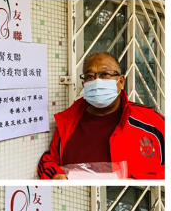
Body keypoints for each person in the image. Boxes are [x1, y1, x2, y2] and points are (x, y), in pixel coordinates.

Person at [38, 52, 164, 180]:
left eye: (105, 74)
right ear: (84, 84)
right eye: (89, 76)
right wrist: (56, 175)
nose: (97, 81)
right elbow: (50, 162)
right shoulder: (68, 122)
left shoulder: (152, 121)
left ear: (121, 81)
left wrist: (136, 181)